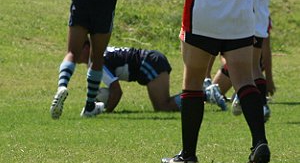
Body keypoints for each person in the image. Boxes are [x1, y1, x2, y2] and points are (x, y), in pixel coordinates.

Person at [161, 0, 270, 163]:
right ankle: (260, 142)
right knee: (245, 80)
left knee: (192, 82)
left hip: (203, 12)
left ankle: (188, 154)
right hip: (239, 14)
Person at [49, 0, 137, 119]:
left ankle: (62, 86)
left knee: (72, 52)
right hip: (104, 2)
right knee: (97, 57)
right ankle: (90, 106)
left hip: (82, 0)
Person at [77, 42, 226, 112]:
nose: (74, 52)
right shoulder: (99, 54)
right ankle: (204, 94)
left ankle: (206, 95)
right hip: (151, 60)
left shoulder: (96, 63)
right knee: (162, 106)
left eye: (77, 48)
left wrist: (105, 112)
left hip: (150, 63)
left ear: (86, 47)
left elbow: (116, 91)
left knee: (163, 106)